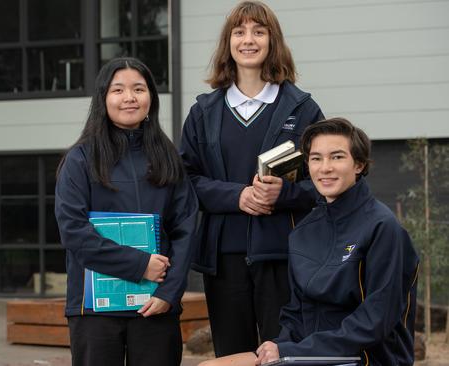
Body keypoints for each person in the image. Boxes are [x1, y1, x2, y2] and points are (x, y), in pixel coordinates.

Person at [199, 117, 419, 366]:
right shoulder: (303, 231)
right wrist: (280, 345)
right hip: (308, 354)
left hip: (362, 357)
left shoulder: (383, 228)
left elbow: (375, 321)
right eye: (316, 158)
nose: (325, 168)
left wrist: (297, 351)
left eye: (337, 157)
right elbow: (295, 312)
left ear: (358, 164)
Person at [180, 0, 324, 357]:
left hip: (284, 256)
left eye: (259, 31)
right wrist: (236, 196)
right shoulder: (203, 112)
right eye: (239, 31)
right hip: (224, 259)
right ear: (228, 42)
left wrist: (285, 194)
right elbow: (185, 180)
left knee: (285, 354)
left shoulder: (302, 109)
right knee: (233, 356)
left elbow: (324, 182)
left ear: (272, 41)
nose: (249, 39)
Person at [55, 57, 198, 366]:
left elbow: (186, 228)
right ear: (103, 98)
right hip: (94, 310)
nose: (129, 98)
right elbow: (74, 232)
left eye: (139, 88)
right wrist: (140, 265)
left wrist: (169, 292)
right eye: (118, 89)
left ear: (151, 97)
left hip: (156, 305)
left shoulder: (168, 157)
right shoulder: (80, 160)